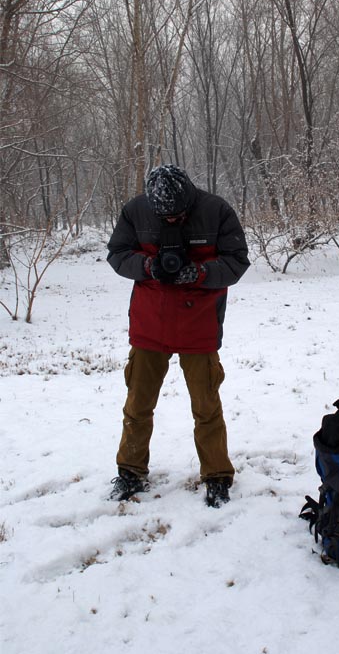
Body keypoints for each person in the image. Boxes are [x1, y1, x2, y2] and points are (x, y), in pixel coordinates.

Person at [107, 164, 250, 507]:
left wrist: (199, 272)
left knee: (206, 407)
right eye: (164, 216)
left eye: (178, 215)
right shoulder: (136, 211)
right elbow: (118, 254)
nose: (171, 220)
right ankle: (130, 472)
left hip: (198, 326)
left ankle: (216, 475)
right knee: (138, 405)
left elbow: (236, 261)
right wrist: (147, 266)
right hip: (149, 326)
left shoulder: (216, 211)